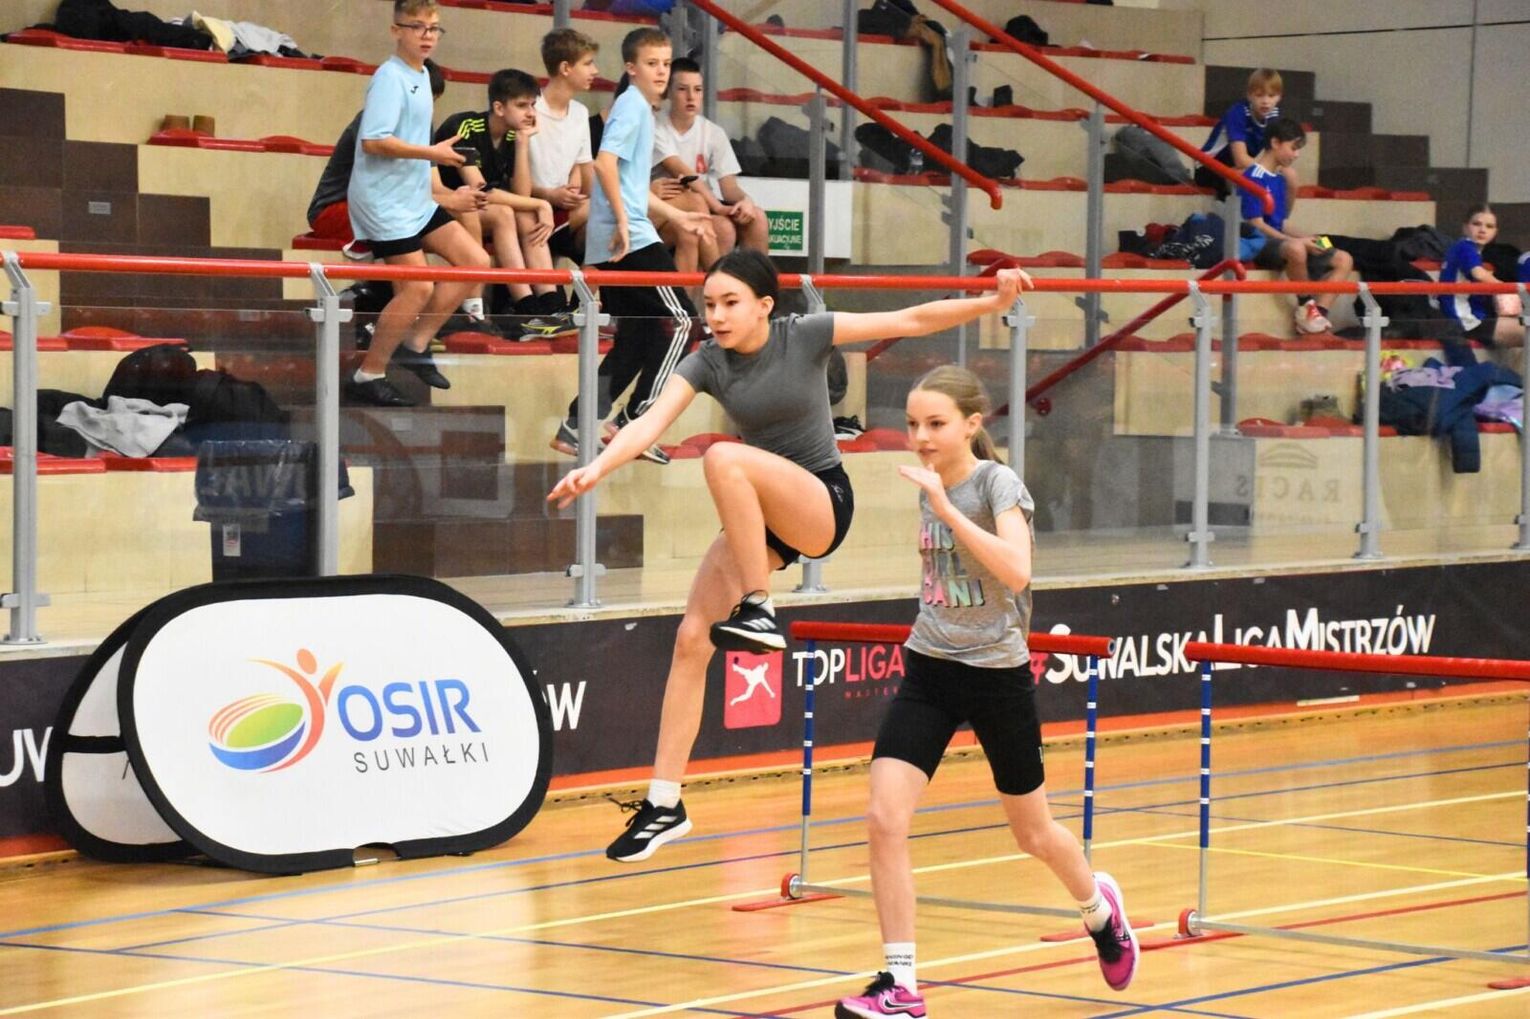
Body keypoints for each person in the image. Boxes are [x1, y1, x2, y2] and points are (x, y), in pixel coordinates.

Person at [547, 250, 1034, 863]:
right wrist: (594, 469)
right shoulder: (707, 361)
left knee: (723, 457)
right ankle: (665, 803)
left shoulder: (804, 335)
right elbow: (649, 423)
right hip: (762, 516)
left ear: (765, 306)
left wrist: (991, 302)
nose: (717, 316)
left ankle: (758, 605)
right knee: (692, 637)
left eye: (730, 303)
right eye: (709, 305)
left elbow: (909, 320)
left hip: (821, 501)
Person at [834, 365, 1138, 1017]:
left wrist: (948, 509)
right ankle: (901, 985)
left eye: (936, 424)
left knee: (1034, 834)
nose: (921, 436)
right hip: (930, 668)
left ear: (972, 424)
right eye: (912, 424)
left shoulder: (997, 483)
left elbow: (1017, 570)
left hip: (997, 675)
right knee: (884, 818)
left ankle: (1098, 911)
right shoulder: (929, 483)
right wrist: (938, 501)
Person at [548, 27, 714, 466]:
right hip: (629, 239)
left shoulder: (638, 108)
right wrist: (623, 221)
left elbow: (631, 185)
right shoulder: (632, 107)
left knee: (638, 337)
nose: (661, 72)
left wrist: (677, 216)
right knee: (683, 323)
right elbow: (605, 165)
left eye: (666, 64)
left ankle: (577, 425)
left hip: (619, 238)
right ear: (631, 68)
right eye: (652, 64)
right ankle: (636, 422)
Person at [345, 0, 489, 406]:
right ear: (396, 31)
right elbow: (374, 141)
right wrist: (433, 154)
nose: (428, 36)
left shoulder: (423, 75)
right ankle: (368, 373)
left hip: (414, 197)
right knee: (418, 288)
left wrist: (440, 174)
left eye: (434, 28)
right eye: (418, 27)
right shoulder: (389, 78)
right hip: (383, 201)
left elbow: (416, 143)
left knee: (476, 261)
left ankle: (415, 344)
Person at [436, 69, 573, 337]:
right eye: (522, 105)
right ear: (499, 108)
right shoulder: (465, 126)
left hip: (475, 210)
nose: (530, 113)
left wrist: (523, 143)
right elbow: (481, 190)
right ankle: (526, 308)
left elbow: (521, 192)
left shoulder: (512, 135)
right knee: (505, 213)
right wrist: (542, 204)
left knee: (523, 215)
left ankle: (551, 304)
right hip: (444, 205)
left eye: (532, 105)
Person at [1236, 117, 1354, 335]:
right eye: (1293, 147)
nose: (1297, 154)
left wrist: (1313, 238)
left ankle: (1318, 313)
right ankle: (1306, 305)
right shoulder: (1253, 176)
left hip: (1280, 237)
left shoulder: (1280, 178)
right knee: (1297, 248)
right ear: (1275, 143)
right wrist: (1297, 241)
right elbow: (1256, 223)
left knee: (1342, 256)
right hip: (1259, 242)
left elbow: (1282, 222)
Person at [651, 57, 769, 276]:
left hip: (705, 204)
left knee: (757, 218)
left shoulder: (713, 132)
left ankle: (758, 289)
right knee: (722, 228)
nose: (691, 97)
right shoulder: (655, 125)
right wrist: (718, 207)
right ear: (668, 92)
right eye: (682, 89)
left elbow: (729, 187)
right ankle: (718, 288)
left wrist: (746, 201)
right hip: (668, 206)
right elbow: (683, 171)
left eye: (697, 90)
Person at [529, 28, 600, 269]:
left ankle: (585, 294)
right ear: (565, 68)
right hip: (533, 208)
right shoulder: (530, 109)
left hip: (566, 209)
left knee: (607, 225)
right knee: (610, 210)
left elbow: (585, 171)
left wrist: (576, 190)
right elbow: (511, 179)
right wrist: (549, 195)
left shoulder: (580, 113)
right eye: (588, 63)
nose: (595, 71)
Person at [1196, 68, 1296, 200]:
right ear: (1249, 95)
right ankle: (1249, 213)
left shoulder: (1274, 116)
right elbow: (1240, 159)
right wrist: (1267, 171)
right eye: (1259, 95)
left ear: (1279, 97)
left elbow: (1275, 154)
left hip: (1237, 168)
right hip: (1210, 167)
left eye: (1271, 96)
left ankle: (1281, 214)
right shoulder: (1238, 113)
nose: (1265, 101)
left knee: (1289, 176)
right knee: (1254, 179)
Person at [1435, 205, 1527, 349]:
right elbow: (1478, 273)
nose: (1482, 230)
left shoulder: (1468, 249)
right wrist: (1507, 288)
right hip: (1465, 320)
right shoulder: (1465, 246)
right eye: (1476, 224)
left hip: (1475, 318)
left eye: (1489, 226)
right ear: (1465, 228)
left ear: (1495, 232)